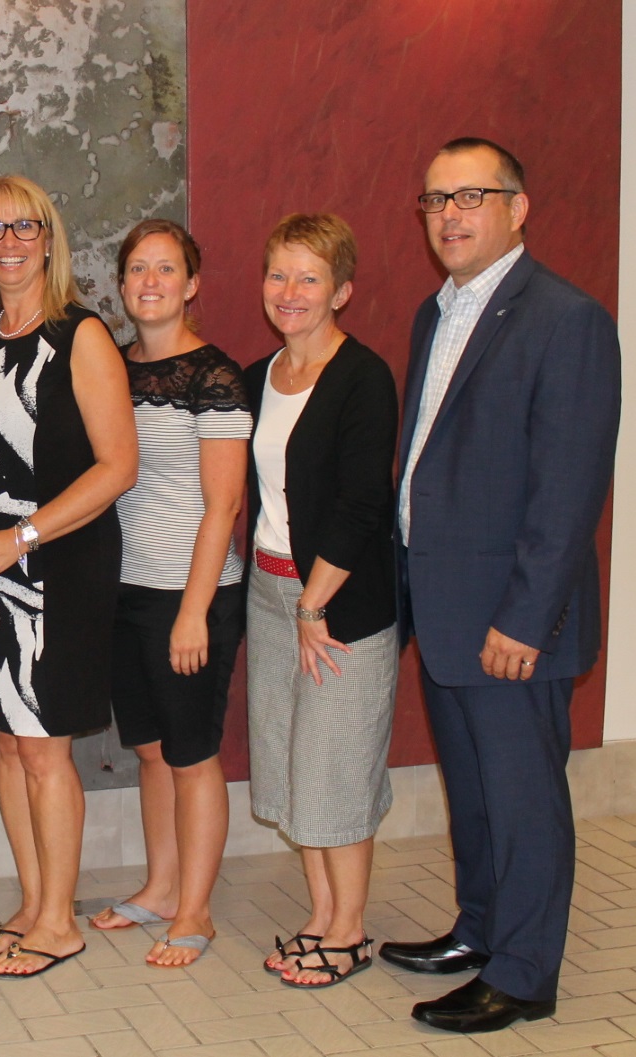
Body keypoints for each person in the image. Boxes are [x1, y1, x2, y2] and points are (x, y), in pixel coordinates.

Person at [380, 138, 620, 1033]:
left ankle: (522, 973)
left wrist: (525, 617)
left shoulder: (566, 319)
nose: (449, 214)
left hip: (512, 623)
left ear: (517, 208)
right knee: (474, 791)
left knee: (522, 801)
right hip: (444, 610)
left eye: (470, 196)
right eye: (434, 198)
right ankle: (478, 930)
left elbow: (567, 488)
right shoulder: (433, 314)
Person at [0, 174, 137, 978]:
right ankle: (33, 899)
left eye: (24, 226)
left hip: (55, 570)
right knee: (8, 745)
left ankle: (59, 921)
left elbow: (117, 467)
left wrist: (17, 536)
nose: (9, 241)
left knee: (44, 751)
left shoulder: (79, 335)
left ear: (48, 238)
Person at [87, 219, 249, 968]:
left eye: (165, 270)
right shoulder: (111, 367)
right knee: (150, 750)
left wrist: (192, 611)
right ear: (120, 286)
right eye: (136, 270)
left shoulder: (213, 376)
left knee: (191, 756)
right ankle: (158, 887)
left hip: (194, 594)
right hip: (125, 591)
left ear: (191, 285)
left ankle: (196, 910)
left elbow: (223, 506)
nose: (148, 283)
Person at [243, 213, 399, 990]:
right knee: (288, 755)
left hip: (338, 601)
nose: (290, 292)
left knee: (335, 761)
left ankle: (349, 928)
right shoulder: (257, 375)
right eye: (278, 274)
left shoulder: (363, 377)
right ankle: (318, 911)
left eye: (308, 277)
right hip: (268, 591)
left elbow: (360, 503)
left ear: (340, 289)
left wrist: (313, 605)